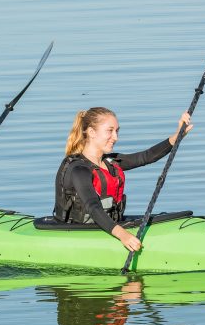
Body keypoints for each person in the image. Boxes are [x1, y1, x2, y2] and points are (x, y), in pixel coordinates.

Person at [54, 107, 191, 252]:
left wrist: (176, 137)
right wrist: (123, 235)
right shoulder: (78, 169)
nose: (115, 137)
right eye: (110, 131)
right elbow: (93, 207)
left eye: (117, 131)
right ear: (92, 132)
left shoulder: (110, 162)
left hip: (107, 226)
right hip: (77, 233)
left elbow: (146, 157)